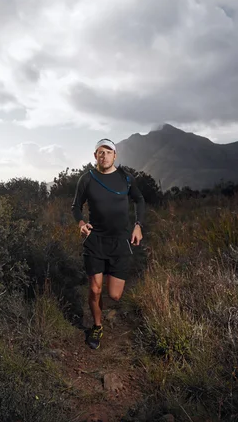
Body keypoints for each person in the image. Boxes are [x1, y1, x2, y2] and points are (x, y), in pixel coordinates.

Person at [72, 138, 145, 349]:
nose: (104, 156)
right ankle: (97, 325)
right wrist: (80, 223)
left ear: (115, 155)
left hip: (120, 243)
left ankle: (105, 303)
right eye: (100, 152)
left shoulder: (126, 178)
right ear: (95, 156)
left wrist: (138, 225)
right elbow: (76, 206)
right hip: (95, 241)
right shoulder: (87, 179)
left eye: (108, 152)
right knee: (95, 290)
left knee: (114, 294)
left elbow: (139, 200)